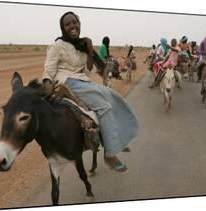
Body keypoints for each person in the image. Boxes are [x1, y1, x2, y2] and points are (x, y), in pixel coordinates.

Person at [42, 11, 139, 172]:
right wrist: (47, 86)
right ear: (63, 28)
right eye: (68, 24)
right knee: (104, 107)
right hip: (67, 81)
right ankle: (109, 155)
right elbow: (49, 69)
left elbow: (88, 68)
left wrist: (89, 49)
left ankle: (118, 139)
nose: (72, 26)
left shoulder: (82, 44)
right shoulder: (58, 45)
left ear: (79, 24)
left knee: (115, 97)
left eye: (75, 22)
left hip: (82, 81)